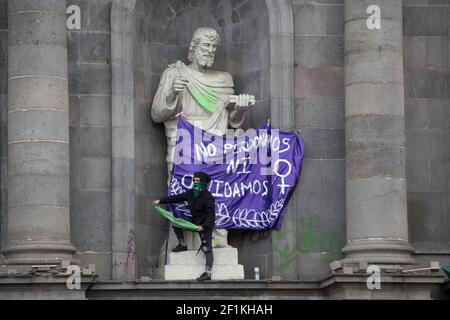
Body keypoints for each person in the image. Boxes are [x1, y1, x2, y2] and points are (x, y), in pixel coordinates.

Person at [151, 26, 254, 249]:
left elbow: (232, 121)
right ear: (194, 48)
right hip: (183, 144)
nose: (209, 51)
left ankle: (217, 239)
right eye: (205, 45)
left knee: (217, 191)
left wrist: (241, 109)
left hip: (215, 145)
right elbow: (157, 113)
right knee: (183, 192)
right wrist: (171, 92)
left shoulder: (224, 79)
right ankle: (182, 243)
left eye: (213, 47)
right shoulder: (175, 74)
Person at [152, 172, 215, 281]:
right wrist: (160, 200)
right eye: (194, 180)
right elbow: (176, 198)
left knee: (206, 248)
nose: (195, 183)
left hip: (204, 225)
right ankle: (182, 244)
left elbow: (211, 215)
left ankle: (208, 273)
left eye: (198, 181)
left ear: (203, 183)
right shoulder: (190, 193)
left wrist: (203, 226)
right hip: (194, 221)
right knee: (176, 222)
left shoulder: (208, 197)